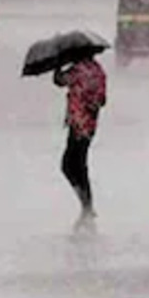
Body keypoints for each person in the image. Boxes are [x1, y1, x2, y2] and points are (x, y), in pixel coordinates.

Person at [53, 49, 107, 226]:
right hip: (90, 125)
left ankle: (86, 204)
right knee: (79, 163)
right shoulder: (99, 71)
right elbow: (103, 100)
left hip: (77, 123)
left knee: (68, 165)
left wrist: (58, 65)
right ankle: (86, 204)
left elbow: (59, 81)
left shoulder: (77, 71)